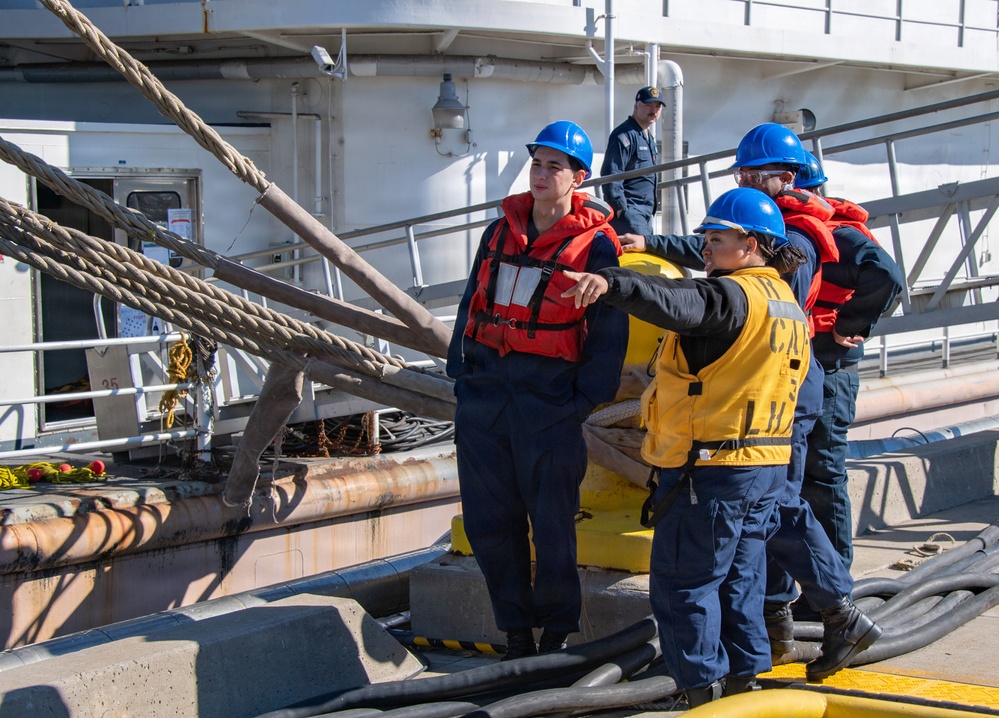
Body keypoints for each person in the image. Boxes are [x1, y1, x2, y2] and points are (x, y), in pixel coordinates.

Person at [617, 124, 883, 682]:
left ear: (786, 178)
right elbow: (719, 250)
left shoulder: (800, 241)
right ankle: (773, 639)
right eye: (739, 173)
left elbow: (736, 280)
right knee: (761, 517)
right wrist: (654, 245)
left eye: (753, 174)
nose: (744, 180)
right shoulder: (777, 235)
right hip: (784, 375)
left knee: (777, 504)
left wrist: (844, 333)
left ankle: (833, 613)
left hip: (777, 386)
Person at [562, 187, 810, 706]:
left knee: (684, 585)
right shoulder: (785, 303)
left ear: (751, 245)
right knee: (740, 579)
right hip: (764, 467)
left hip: (712, 469)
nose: (705, 249)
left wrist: (609, 282)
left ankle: (701, 692)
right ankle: (745, 685)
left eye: (716, 239)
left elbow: (676, 300)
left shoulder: (729, 298)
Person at [446, 120, 628, 660]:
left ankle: (555, 633)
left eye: (556, 166)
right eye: (538, 163)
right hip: (485, 400)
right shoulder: (499, 232)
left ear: (578, 178)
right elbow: (470, 304)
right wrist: (461, 372)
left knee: (552, 527)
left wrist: (579, 403)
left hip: (548, 403)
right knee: (488, 522)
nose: (543, 174)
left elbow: (608, 335)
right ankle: (516, 633)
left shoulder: (597, 247)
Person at [792, 150, 905, 573]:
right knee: (803, 479)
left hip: (831, 370)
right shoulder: (797, 232)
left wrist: (848, 325)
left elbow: (887, 274)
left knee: (822, 477)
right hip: (809, 368)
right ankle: (815, 582)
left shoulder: (836, 235)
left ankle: (834, 586)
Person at [599, 86, 664, 236]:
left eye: (657, 106)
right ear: (636, 107)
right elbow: (611, 174)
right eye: (648, 105)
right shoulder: (624, 135)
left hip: (645, 214)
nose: (653, 110)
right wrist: (621, 209)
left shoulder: (647, 137)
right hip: (630, 214)